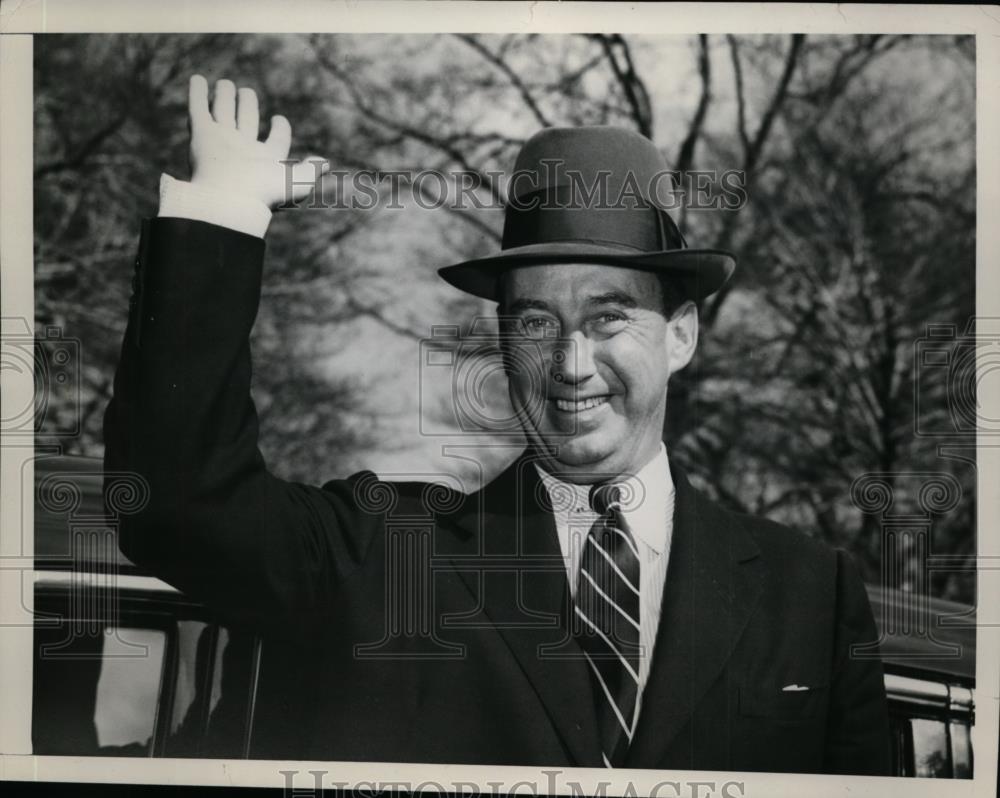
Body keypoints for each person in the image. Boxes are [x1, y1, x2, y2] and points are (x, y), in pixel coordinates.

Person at [104, 75, 891, 773]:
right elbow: (176, 503)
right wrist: (217, 220)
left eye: (610, 318)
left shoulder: (810, 594)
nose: (572, 364)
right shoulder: (385, 557)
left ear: (680, 335)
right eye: (537, 323)